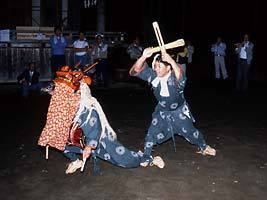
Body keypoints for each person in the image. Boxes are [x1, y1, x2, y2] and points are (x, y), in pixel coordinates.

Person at [38, 66, 164, 175]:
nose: (54, 95)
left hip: (99, 139)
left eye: (58, 92)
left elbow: (94, 130)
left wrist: (89, 146)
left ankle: (147, 158)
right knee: (57, 138)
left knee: (123, 161)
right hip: (78, 140)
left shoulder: (85, 109)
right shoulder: (61, 105)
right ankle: (75, 161)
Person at [129, 48, 216, 167]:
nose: (156, 69)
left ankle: (204, 147)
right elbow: (134, 71)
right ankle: (147, 156)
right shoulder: (154, 76)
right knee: (151, 132)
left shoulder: (175, 78)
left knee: (192, 133)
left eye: (159, 66)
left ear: (168, 67)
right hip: (162, 112)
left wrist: (170, 60)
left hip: (179, 113)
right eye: (155, 66)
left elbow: (180, 74)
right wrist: (144, 56)